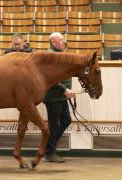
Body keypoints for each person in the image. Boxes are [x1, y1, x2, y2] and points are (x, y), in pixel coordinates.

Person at [44, 32, 74, 163]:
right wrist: (64, 89)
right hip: (53, 97)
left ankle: (49, 147)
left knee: (66, 120)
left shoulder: (59, 53)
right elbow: (50, 77)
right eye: (61, 40)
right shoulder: (50, 55)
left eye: (63, 40)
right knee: (54, 125)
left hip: (61, 96)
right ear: (53, 42)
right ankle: (49, 152)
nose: (64, 42)